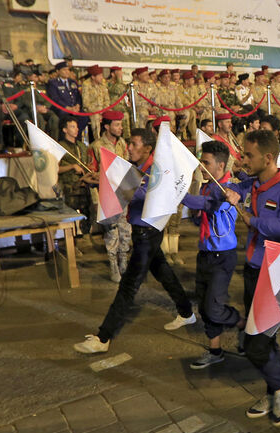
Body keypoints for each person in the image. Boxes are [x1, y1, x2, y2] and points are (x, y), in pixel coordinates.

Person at [73, 129, 195, 354]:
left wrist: (101, 181)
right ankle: (187, 312)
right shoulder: (141, 168)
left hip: (147, 235)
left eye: (134, 143)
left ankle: (103, 337)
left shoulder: (154, 172)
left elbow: (134, 193)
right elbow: (126, 188)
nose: (128, 147)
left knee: (128, 287)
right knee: (164, 272)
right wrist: (97, 181)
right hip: (145, 233)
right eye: (129, 143)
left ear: (148, 148)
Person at [223, 130, 280, 427]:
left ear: (268, 158)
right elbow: (231, 189)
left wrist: (248, 218)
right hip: (252, 269)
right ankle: (273, 392)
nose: (244, 160)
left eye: (248, 155)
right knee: (266, 339)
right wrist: (229, 191)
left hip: (275, 273)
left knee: (255, 343)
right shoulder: (252, 184)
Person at [177, 141, 241, 370]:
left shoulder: (227, 189)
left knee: (214, 307)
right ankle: (215, 351)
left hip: (222, 256)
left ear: (221, 165)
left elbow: (204, 203)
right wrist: (195, 215)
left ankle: (241, 322)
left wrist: (175, 191)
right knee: (204, 307)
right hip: (205, 253)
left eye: (206, 162)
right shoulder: (206, 186)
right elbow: (200, 214)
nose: (201, 166)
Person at [90, 111, 131, 282]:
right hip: (107, 194)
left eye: (121, 125)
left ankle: (124, 262)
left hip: (122, 192)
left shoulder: (122, 143)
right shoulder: (96, 146)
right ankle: (113, 265)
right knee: (111, 232)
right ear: (106, 126)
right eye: (116, 124)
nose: (120, 128)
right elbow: (91, 171)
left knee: (125, 230)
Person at [57, 116, 94, 230]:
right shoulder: (60, 147)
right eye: (72, 127)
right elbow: (55, 169)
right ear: (65, 130)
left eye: (76, 127)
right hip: (69, 187)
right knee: (70, 216)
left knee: (87, 214)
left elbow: (87, 162)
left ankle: (85, 236)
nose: (76, 129)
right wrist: (72, 166)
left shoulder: (82, 146)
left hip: (84, 184)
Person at [47, 61, 87, 135]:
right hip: (62, 109)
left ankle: (76, 136)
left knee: (84, 117)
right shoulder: (53, 83)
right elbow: (55, 99)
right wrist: (67, 108)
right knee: (65, 119)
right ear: (58, 71)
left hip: (74, 109)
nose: (67, 72)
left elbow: (78, 96)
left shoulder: (72, 82)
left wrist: (77, 105)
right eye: (64, 70)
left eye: (68, 70)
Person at [82, 65, 110, 141]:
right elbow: (86, 103)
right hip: (92, 111)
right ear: (93, 77)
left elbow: (107, 100)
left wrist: (104, 110)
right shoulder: (86, 84)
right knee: (95, 117)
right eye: (99, 75)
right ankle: (97, 140)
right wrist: (98, 112)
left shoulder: (103, 84)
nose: (102, 77)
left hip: (103, 110)